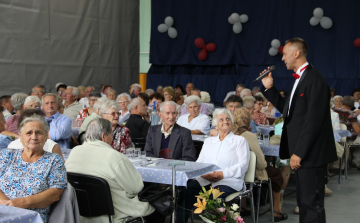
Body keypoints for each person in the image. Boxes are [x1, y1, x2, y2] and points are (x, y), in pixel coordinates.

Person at [260, 37, 337, 222]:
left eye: (285, 54)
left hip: (311, 154)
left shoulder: (314, 79)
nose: (283, 58)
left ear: (296, 53)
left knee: (311, 205)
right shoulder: (300, 79)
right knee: (304, 203)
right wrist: (269, 89)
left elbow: (313, 121)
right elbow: (290, 113)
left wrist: (299, 152)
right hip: (304, 155)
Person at [65, 118, 163, 223]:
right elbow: (136, 187)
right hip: (113, 215)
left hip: (81, 214)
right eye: (111, 135)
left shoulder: (74, 152)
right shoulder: (114, 156)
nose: (112, 138)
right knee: (159, 211)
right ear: (103, 136)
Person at [177, 108, 250, 223]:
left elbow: (243, 164)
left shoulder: (239, 141)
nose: (225, 121)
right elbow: (199, 163)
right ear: (215, 126)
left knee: (214, 199)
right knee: (185, 193)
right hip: (205, 179)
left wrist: (222, 174)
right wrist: (204, 174)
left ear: (231, 123)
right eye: (221, 119)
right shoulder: (208, 142)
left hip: (228, 181)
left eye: (227, 119)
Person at [0, 114, 66, 223]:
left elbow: (55, 193)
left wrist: (22, 203)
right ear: (21, 137)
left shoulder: (54, 160)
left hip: (31, 217)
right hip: (4, 211)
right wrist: (8, 205)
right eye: (28, 133)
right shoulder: (7, 155)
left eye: (39, 133)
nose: (34, 137)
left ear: (46, 137)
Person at [232, 108, 288, 221]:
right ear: (247, 119)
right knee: (276, 173)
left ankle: (242, 206)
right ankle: (276, 210)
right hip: (248, 174)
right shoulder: (249, 136)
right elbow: (261, 164)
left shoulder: (229, 133)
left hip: (233, 172)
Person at [333, 96, 360, 169]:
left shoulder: (334, 111)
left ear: (342, 102)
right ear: (352, 104)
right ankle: (357, 161)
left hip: (334, 137)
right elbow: (357, 131)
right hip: (347, 137)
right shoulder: (351, 113)